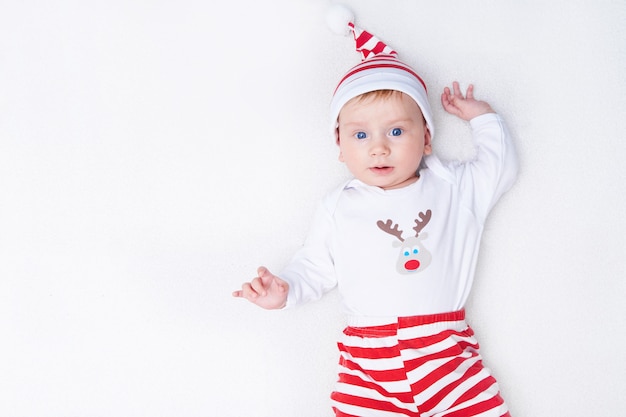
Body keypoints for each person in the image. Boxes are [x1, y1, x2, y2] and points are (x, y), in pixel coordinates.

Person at [233, 5, 518, 416]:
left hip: (446, 354)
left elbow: (500, 167)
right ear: (340, 147)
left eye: (397, 131)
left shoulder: (453, 187)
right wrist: (286, 290)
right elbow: (314, 266)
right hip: (369, 361)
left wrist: (483, 119)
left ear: (426, 140)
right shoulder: (339, 205)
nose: (379, 147)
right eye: (361, 134)